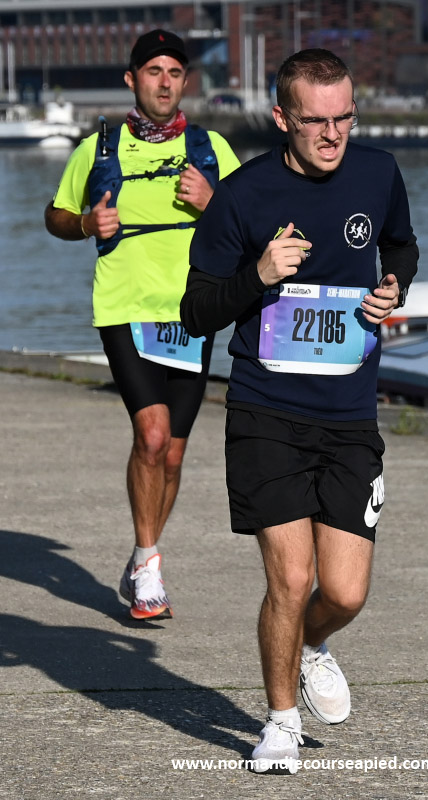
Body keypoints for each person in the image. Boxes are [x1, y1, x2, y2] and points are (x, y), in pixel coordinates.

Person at [180, 48, 418, 773]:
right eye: (316, 121)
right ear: (282, 118)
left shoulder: (378, 173)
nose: (333, 134)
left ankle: (313, 643)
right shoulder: (242, 197)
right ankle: (279, 722)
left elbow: (402, 245)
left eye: (345, 117)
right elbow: (196, 313)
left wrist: (393, 285)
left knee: (343, 592)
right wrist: (257, 274)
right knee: (288, 578)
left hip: (349, 412)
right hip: (267, 410)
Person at [45, 29, 240, 621]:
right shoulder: (98, 148)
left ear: (185, 82)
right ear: (132, 79)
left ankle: (139, 559)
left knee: (173, 454)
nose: (164, 82)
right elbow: (55, 215)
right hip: (125, 306)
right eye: (153, 71)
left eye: (174, 73)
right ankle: (151, 564)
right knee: (151, 436)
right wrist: (86, 224)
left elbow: (253, 222)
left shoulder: (211, 147)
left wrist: (214, 202)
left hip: (192, 311)